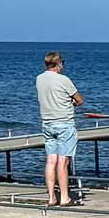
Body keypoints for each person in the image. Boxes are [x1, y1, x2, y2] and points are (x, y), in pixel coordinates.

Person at [36, 51, 85, 206]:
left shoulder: (39, 79)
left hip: (47, 123)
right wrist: (72, 102)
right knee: (63, 161)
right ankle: (65, 197)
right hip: (64, 123)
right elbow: (79, 100)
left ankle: (51, 197)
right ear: (57, 64)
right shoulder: (64, 80)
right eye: (62, 62)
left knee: (51, 160)